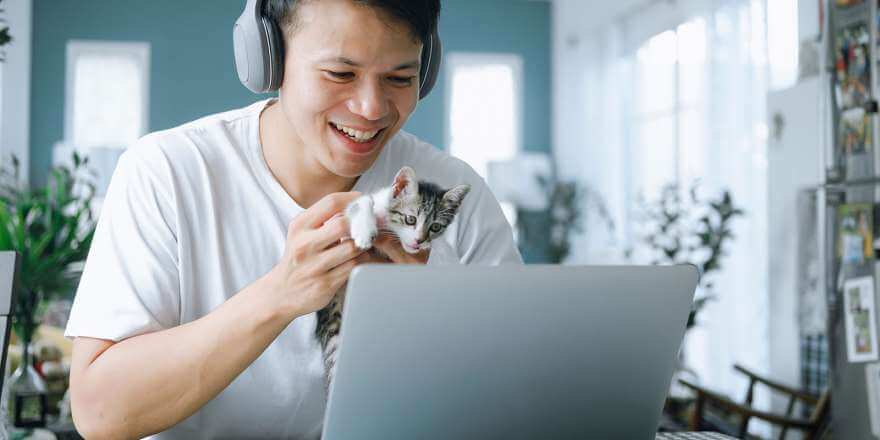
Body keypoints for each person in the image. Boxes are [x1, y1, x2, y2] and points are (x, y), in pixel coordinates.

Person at [64, 0, 521, 438]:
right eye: (340, 73)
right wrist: (280, 294)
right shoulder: (166, 172)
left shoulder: (450, 192)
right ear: (269, 58)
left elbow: (521, 391)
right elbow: (99, 412)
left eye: (399, 78)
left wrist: (427, 312)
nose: (372, 109)